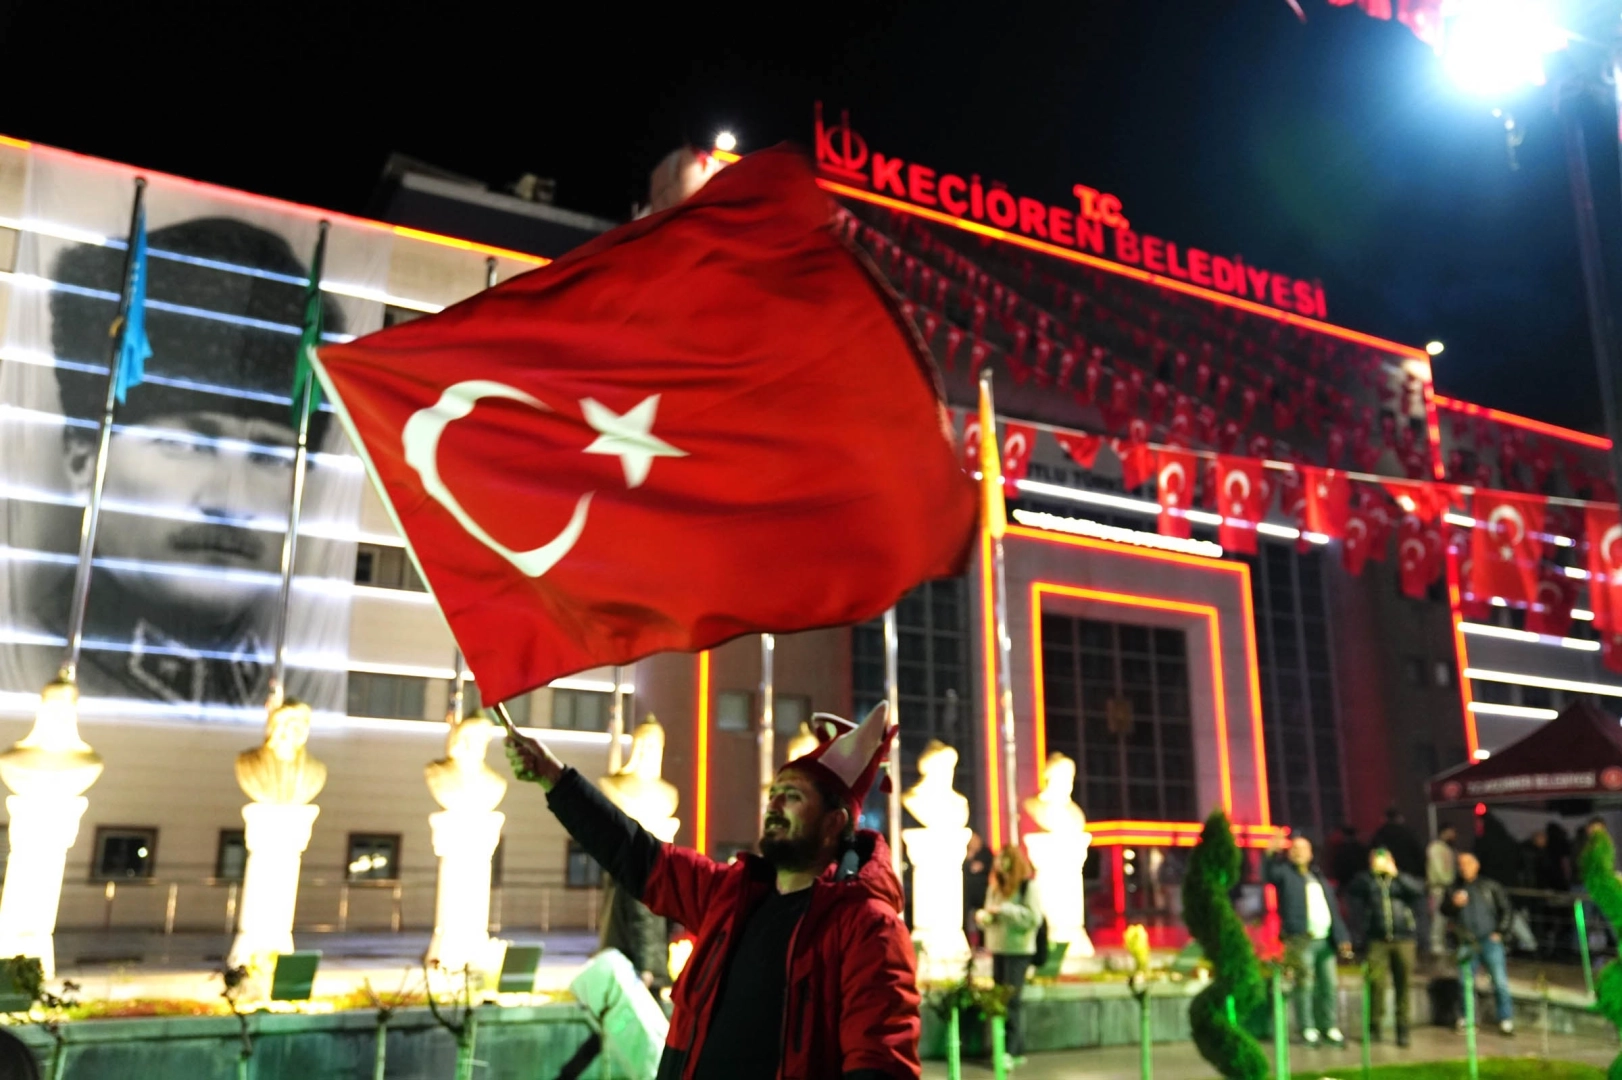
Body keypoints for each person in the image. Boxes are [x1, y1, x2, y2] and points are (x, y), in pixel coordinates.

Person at [8, 217, 349, 708]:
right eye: (186, 445)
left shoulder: (285, 697)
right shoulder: (21, 661)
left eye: (268, 455)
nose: (230, 501)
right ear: (84, 459)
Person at [507, 701, 920, 1080]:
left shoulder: (868, 928)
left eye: (792, 797)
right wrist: (554, 778)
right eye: (774, 795)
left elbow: (880, 1064)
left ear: (834, 823)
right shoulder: (731, 894)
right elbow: (636, 854)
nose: (774, 807)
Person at [1264, 833, 1354, 1047]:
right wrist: (1270, 852)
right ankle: (1307, 1028)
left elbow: (1332, 910)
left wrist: (1342, 937)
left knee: (1328, 985)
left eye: (1303, 848)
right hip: (1300, 940)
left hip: (1325, 940)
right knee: (1304, 985)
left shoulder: (1318, 877)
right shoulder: (1284, 874)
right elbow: (1268, 873)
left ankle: (1329, 1026)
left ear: (1311, 853)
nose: (1298, 852)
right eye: (1294, 848)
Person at [1345, 847, 1424, 1046]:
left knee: (1403, 984)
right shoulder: (1367, 881)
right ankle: (1374, 1026)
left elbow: (1418, 891)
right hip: (1377, 939)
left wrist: (1395, 874)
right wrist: (1372, 875)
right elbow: (1353, 892)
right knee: (1376, 983)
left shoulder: (1401, 880)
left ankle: (1403, 1029)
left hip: (1403, 938)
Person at [974, 846, 1042, 1070]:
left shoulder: (1027, 886)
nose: (1000, 864)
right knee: (1000, 1001)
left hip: (1019, 951)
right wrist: (984, 917)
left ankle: (1010, 1051)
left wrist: (1005, 910)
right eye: (998, 860)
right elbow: (989, 913)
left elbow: (1034, 918)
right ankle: (1012, 1048)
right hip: (998, 949)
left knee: (1012, 1001)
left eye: (1005, 860)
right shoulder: (995, 887)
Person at [1442, 852, 1515, 1036]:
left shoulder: (1490, 886)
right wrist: (1454, 904)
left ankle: (1505, 1019)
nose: (1463, 868)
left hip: (1489, 940)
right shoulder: (1454, 888)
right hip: (1466, 942)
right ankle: (1468, 1018)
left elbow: (1506, 909)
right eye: (1460, 864)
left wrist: (1500, 932)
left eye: (1467, 863)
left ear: (1476, 865)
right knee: (1465, 982)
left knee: (1499, 981)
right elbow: (1444, 910)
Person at [1426, 824, 1459, 958]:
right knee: (1438, 917)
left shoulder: (1449, 849)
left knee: (1445, 918)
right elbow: (1438, 869)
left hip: (1447, 887)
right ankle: (1435, 943)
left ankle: (1442, 943)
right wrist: (1446, 881)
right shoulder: (1435, 848)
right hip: (1438, 888)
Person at [1371, 808, 1425, 879]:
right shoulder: (1408, 833)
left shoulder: (1379, 835)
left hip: (1387, 876)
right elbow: (1418, 853)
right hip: (1409, 873)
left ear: (1384, 819)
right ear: (1399, 818)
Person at [963, 831, 990, 949]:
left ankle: (982, 944)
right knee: (965, 917)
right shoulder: (963, 852)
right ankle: (968, 944)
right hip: (967, 892)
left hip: (981, 892)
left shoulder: (986, 854)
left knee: (982, 918)